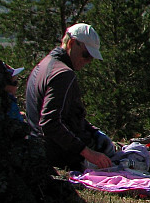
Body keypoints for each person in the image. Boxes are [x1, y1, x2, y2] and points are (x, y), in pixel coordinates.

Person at [26, 23, 118, 171]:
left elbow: (66, 115)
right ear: (71, 43)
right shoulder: (63, 74)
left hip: (41, 148)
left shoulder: (43, 65)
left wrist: (94, 131)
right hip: (58, 153)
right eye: (86, 55)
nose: (87, 61)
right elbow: (50, 123)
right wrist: (88, 153)